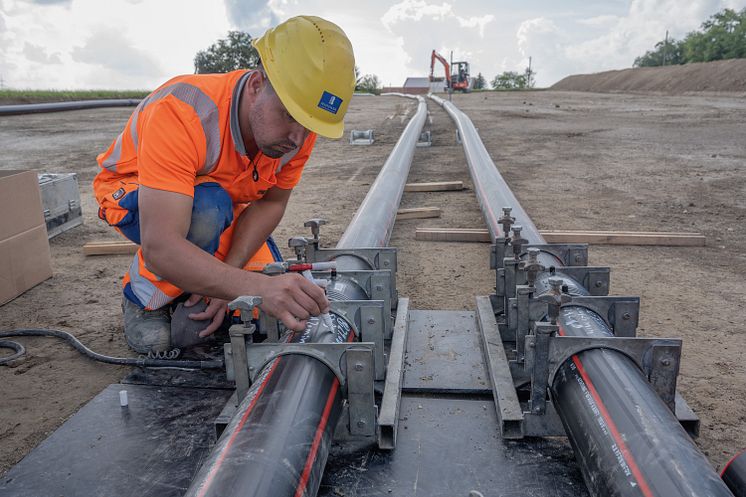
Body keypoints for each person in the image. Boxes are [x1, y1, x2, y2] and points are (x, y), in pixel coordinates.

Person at [92, 16, 356, 353]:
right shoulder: (182, 111)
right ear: (258, 84)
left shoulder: (297, 131)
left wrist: (231, 278)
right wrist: (254, 287)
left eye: (309, 126)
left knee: (260, 315)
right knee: (206, 213)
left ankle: (197, 280)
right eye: (290, 116)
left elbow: (271, 203)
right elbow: (162, 246)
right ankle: (143, 298)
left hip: (223, 202)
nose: (298, 138)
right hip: (139, 191)